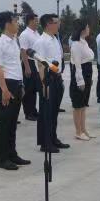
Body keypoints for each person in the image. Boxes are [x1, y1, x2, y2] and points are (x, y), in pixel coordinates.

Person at [0, 11, 31, 170]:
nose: (18, 24)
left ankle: (12, 154)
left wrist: (21, 85)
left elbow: (15, 65)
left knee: (13, 123)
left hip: (16, 84)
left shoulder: (15, 41)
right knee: (4, 124)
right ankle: (3, 159)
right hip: (6, 85)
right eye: (15, 21)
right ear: (8, 24)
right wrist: (4, 90)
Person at [34, 14, 70, 153]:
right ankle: (45, 143)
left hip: (56, 77)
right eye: (56, 22)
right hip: (47, 79)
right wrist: (44, 85)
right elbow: (40, 64)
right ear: (48, 24)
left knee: (54, 111)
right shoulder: (41, 41)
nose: (58, 24)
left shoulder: (55, 39)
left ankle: (53, 138)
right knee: (46, 112)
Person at [69, 20, 95, 141]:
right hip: (81, 74)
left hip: (87, 72)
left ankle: (84, 130)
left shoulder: (84, 42)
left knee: (83, 105)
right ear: (83, 29)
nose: (89, 29)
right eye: (87, 27)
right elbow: (77, 65)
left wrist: (89, 79)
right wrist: (80, 81)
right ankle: (78, 132)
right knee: (78, 105)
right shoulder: (76, 44)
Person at [18, 12, 40, 121]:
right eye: (36, 20)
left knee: (34, 88)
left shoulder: (36, 33)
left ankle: (33, 110)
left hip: (36, 63)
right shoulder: (25, 34)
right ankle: (28, 113)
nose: (38, 22)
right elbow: (23, 51)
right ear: (30, 21)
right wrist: (27, 67)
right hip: (29, 62)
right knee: (28, 89)